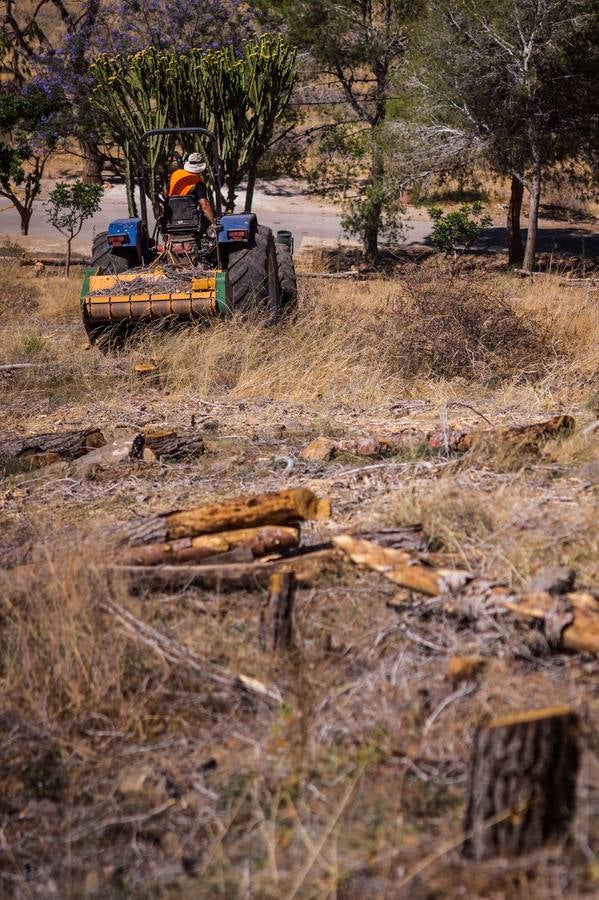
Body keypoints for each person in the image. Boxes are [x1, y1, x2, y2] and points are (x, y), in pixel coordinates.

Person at [168, 152, 215, 224]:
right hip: (189, 218)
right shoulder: (198, 183)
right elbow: (204, 205)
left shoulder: (175, 174)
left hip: (172, 216)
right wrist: (213, 223)